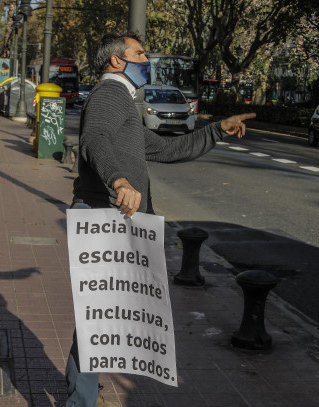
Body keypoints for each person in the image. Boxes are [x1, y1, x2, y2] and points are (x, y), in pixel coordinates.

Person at [65, 31, 255, 407]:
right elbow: (95, 139)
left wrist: (217, 128)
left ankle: (81, 392)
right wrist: (119, 180)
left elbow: (168, 148)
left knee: (102, 315)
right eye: (140, 54)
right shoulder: (109, 95)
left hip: (117, 216)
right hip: (106, 215)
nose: (146, 61)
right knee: (99, 318)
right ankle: (78, 399)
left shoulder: (123, 101)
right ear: (117, 61)